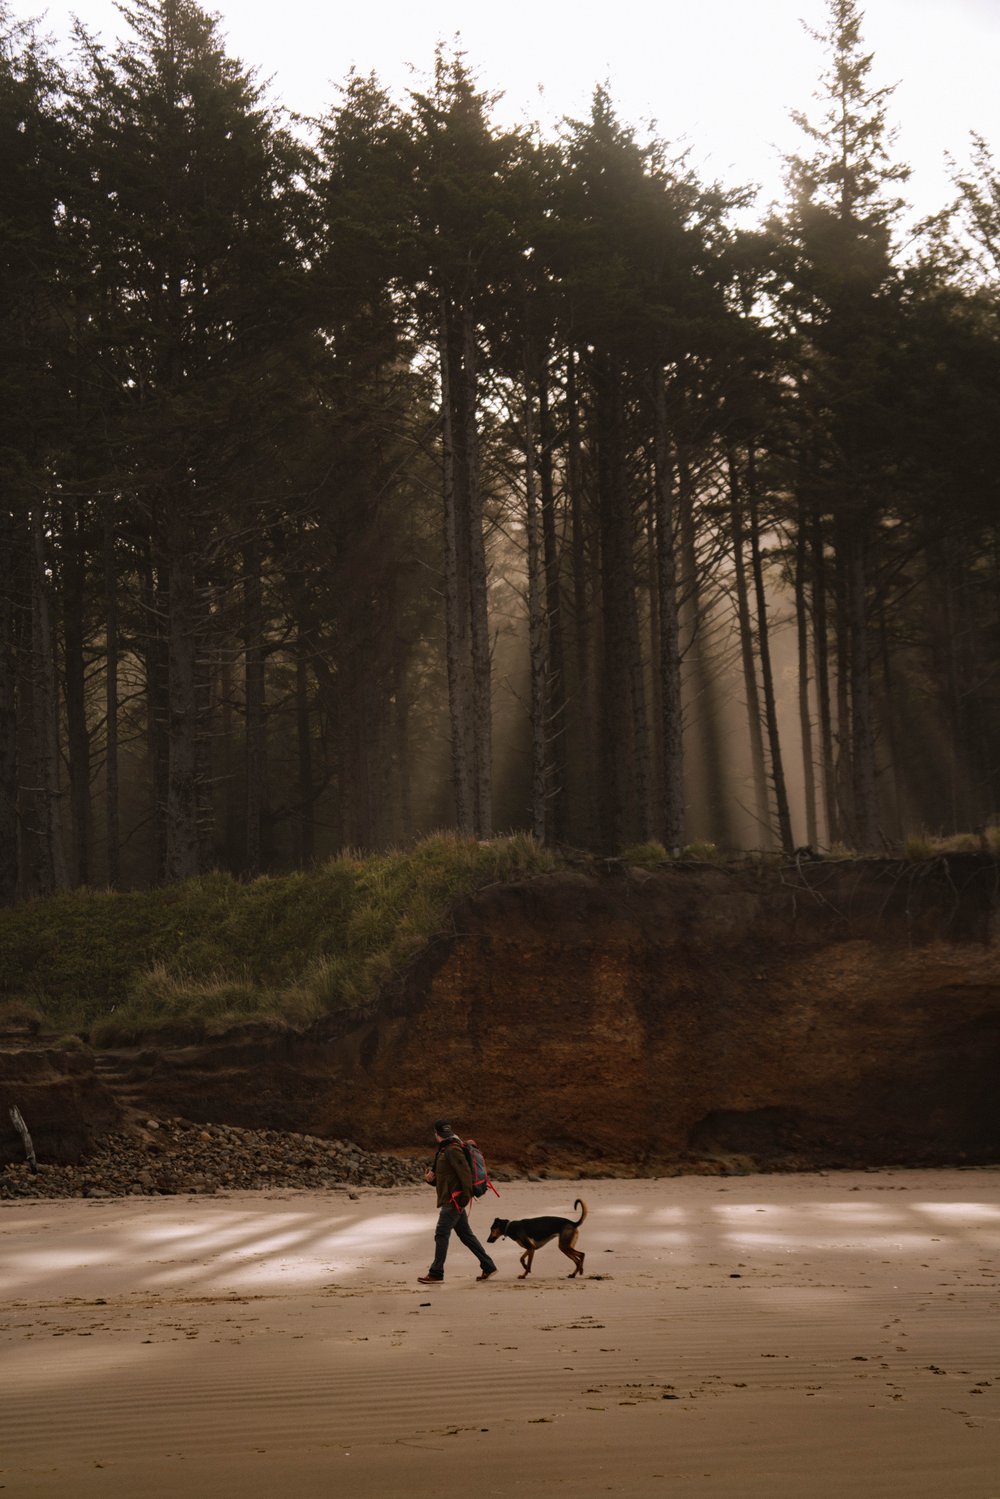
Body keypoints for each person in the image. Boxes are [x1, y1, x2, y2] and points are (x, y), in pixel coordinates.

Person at [418, 1119, 498, 1284]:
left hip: (454, 1200)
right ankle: (488, 1266)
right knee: (466, 1235)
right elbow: (444, 1177)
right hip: (452, 1199)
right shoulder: (444, 1149)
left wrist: (463, 1199)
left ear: (436, 1134)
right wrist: (430, 1179)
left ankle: (436, 1272)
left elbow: (465, 1174)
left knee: (441, 1234)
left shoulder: (453, 1149)